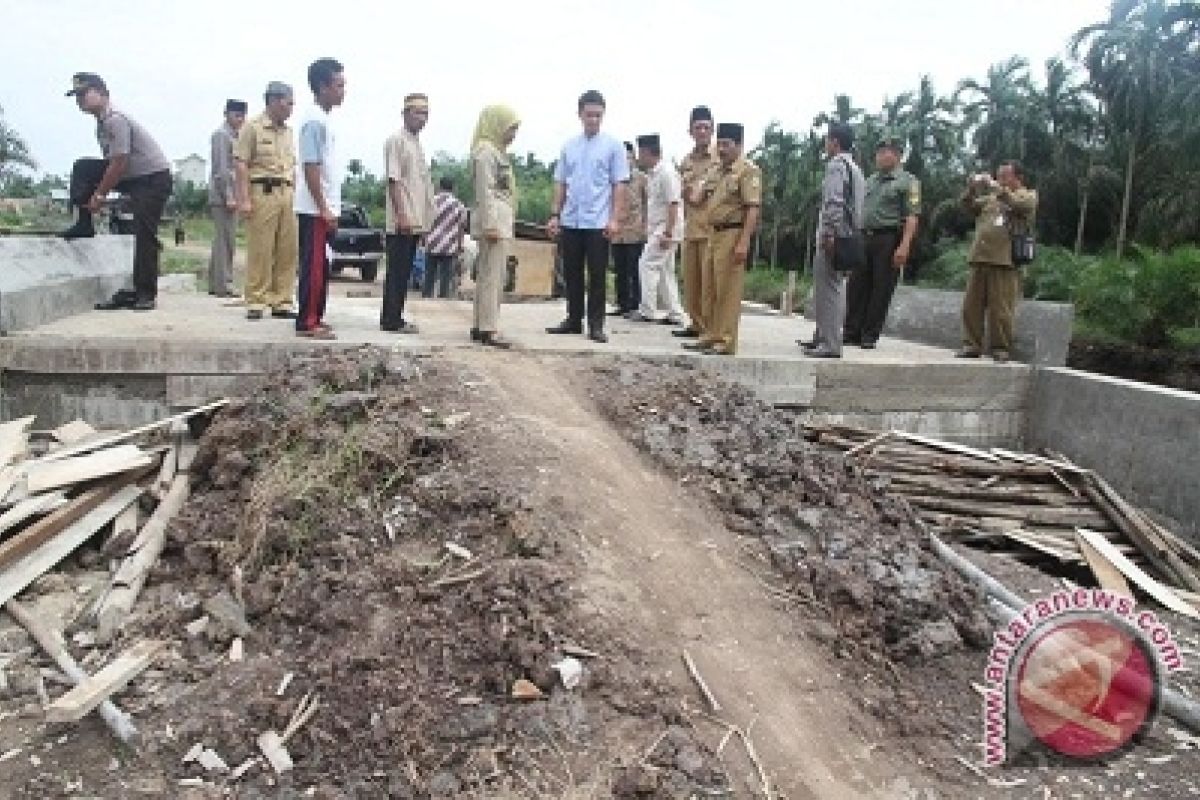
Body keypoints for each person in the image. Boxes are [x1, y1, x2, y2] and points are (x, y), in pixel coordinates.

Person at [62, 73, 173, 312]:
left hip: (152, 179)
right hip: (131, 177)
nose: (79, 100)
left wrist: (100, 195)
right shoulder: (101, 123)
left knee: (144, 233)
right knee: (83, 169)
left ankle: (145, 293)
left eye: (84, 93)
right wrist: (96, 194)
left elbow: (119, 162)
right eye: (76, 96)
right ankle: (84, 224)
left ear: (101, 92)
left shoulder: (115, 119)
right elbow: (112, 165)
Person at [545, 90, 630, 344]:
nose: (593, 119)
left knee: (597, 274)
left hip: (598, 221)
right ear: (580, 114)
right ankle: (573, 319)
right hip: (572, 219)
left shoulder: (613, 146)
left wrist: (615, 219)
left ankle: (596, 324)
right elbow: (561, 182)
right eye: (589, 114)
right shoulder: (569, 146)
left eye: (598, 115)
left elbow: (619, 185)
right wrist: (554, 214)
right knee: (571, 272)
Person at [681, 123, 761, 356]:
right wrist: (687, 187)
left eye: (727, 144)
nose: (722, 149)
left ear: (739, 146)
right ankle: (709, 334)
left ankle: (726, 341)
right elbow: (697, 199)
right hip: (712, 233)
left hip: (732, 233)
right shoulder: (716, 171)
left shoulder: (747, 171)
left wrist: (744, 241)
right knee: (709, 288)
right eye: (721, 144)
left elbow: (752, 208)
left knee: (727, 290)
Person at [844, 134, 919, 349]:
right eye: (878, 153)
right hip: (864, 237)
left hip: (888, 238)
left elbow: (912, 216)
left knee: (881, 289)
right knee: (857, 286)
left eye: (885, 152)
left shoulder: (908, 182)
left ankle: (869, 334)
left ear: (896, 155)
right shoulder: (870, 181)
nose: (880, 157)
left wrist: (904, 245)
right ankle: (851, 331)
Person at [959, 161, 1038, 363]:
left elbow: (1019, 205)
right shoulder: (990, 199)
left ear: (1018, 177)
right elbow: (968, 206)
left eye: (1005, 175)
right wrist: (971, 187)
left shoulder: (1027, 196)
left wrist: (994, 184)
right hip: (980, 257)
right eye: (998, 175)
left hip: (1005, 260)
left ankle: (1000, 348)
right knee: (971, 306)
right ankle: (971, 345)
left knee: (1001, 309)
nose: (1000, 179)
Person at [293, 57, 347, 340]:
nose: (343, 90)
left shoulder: (324, 120)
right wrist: (324, 207)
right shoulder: (314, 121)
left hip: (322, 207)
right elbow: (311, 166)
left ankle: (316, 315)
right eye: (339, 85)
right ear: (323, 87)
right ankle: (308, 321)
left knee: (322, 265)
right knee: (313, 266)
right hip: (314, 208)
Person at [235, 81, 297, 321]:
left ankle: (282, 300)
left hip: (287, 192)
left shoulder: (289, 132)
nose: (291, 108)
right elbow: (241, 163)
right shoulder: (252, 128)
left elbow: (294, 165)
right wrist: (244, 199)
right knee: (261, 248)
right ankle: (256, 300)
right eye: (288, 103)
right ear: (273, 101)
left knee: (287, 249)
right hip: (263, 190)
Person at [803, 122, 865, 359]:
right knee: (831, 288)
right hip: (849, 235)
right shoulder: (855, 169)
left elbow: (834, 202)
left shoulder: (836, 166)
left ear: (835, 142)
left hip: (835, 236)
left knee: (829, 289)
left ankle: (829, 343)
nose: (826, 144)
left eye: (827, 139)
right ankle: (822, 336)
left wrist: (829, 233)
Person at [381, 93, 435, 333]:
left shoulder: (416, 143)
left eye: (425, 114)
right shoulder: (397, 140)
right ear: (405, 114)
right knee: (397, 272)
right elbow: (394, 180)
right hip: (402, 219)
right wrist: (401, 214)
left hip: (415, 220)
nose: (421, 118)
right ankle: (391, 319)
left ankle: (396, 316)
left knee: (404, 272)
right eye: (417, 113)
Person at [469, 105, 521, 349]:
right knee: (493, 276)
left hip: (498, 220)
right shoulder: (486, 152)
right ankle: (488, 328)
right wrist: (490, 224)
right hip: (494, 222)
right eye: (511, 128)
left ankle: (481, 325)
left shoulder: (495, 152)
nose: (513, 134)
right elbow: (485, 190)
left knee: (489, 275)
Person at [674, 105, 719, 340]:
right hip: (691, 228)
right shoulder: (686, 161)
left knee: (709, 284)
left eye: (706, 127)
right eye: (697, 127)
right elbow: (682, 193)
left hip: (711, 230)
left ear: (712, 130)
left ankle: (709, 328)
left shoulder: (719, 159)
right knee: (691, 282)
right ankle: (695, 323)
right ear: (690, 131)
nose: (702, 131)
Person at [632, 134, 684, 325]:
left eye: (640, 153)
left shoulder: (667, 172)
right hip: (659, 227)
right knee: (665, 271)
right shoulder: (654, 173)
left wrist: (668, 233)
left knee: (646, 264)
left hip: (666, 229)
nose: (639, 157)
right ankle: (675, 313)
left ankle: (647, 310)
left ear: (646, 152)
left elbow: (673, 203)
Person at [208, 99, 247, 297]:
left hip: (230, 193)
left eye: (242, 116)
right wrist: (229, 196)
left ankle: (216, 283)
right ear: (226, 114)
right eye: (236, 115)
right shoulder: (221, 135)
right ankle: (224, 284)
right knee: (226, 241)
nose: (240, 119)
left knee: (222, 240)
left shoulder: (236, 135)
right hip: (223, 195)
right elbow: (221, 169)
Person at [611, 141, 647, 317]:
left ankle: (635, 304)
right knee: (620, 270)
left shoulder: (642, 178)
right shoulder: (613, 178)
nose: (626, 160)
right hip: (617, 231)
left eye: (629, 157)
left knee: (635, 269)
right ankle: (622, 304)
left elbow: (648, 203)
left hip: (635, 230)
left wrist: (646, 226)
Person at [424, 176, 468, 299]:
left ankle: (426, 299)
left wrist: (423, 240)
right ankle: (442, 301)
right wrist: (460, 245)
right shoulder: (459, 205)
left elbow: (425, 222)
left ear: (439, 186)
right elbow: (461, 228)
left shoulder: (431, 201)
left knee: (429, 276)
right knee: (445, 277)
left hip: (431, 243)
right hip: (449, 246)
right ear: (453, 188)